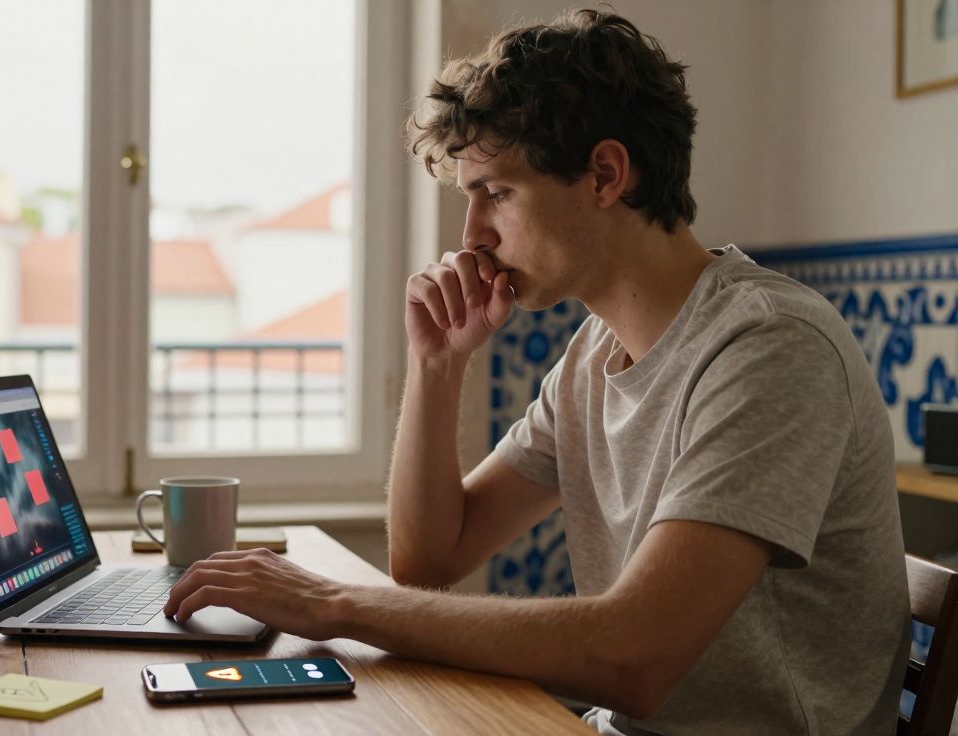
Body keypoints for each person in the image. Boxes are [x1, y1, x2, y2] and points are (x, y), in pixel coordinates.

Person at [163, 9, 910, 733]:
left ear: (606, 175)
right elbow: (429, 561)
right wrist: (437, 365)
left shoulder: (769, 350)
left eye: (497, 192)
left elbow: (635, 657)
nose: (472, 236)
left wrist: (333, 602)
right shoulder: (593, 354)